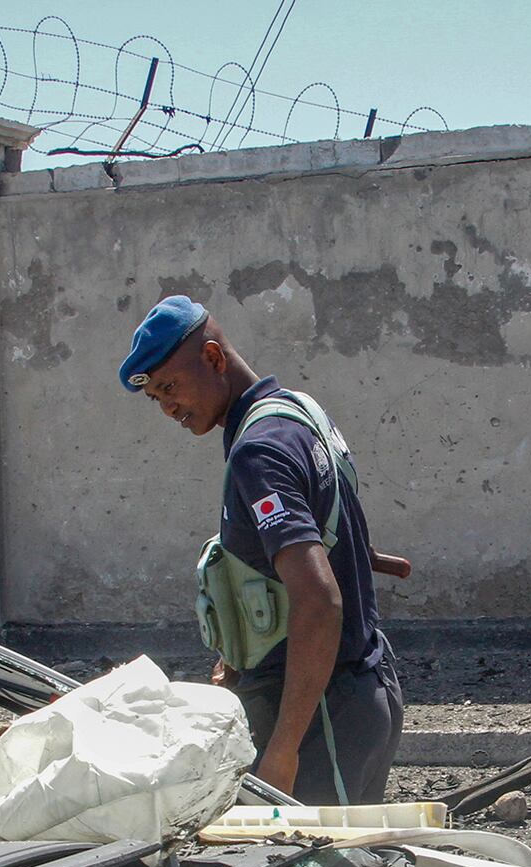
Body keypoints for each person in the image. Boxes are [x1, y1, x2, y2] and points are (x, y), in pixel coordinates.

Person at [120, 295, 405, 805]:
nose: (168, 408)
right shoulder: (297, 411)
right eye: (155, 397)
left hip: (322, 720)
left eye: (170, 387)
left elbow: (319, 601)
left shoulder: (259, 451)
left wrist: (284, 750)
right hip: (357, 693)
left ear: (212, 358)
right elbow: (327, 517)